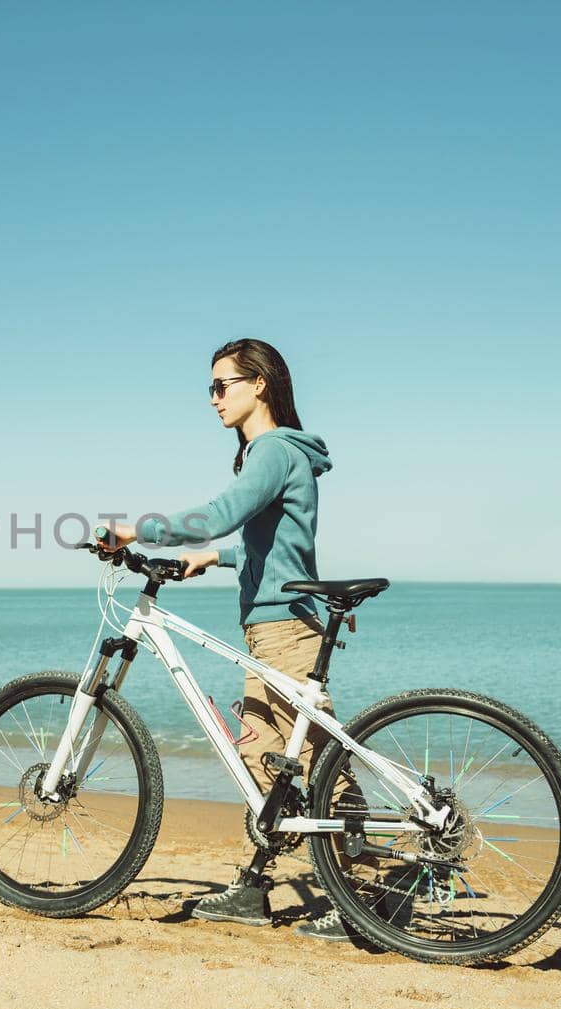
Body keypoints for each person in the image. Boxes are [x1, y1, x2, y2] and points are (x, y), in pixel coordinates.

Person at [97, 337, 353, 940]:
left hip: (286, 627)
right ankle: (257, 885)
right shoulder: (280, 455)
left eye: (222, 385)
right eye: (209, 388)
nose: (213, 399)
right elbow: (274, 546)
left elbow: (217, 513)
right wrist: (215, 558)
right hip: (276, 622)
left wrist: (136, 529)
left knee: (313, 763)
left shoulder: (272, 450)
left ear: (258, 383)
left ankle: (368, 892)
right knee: (268, 760)